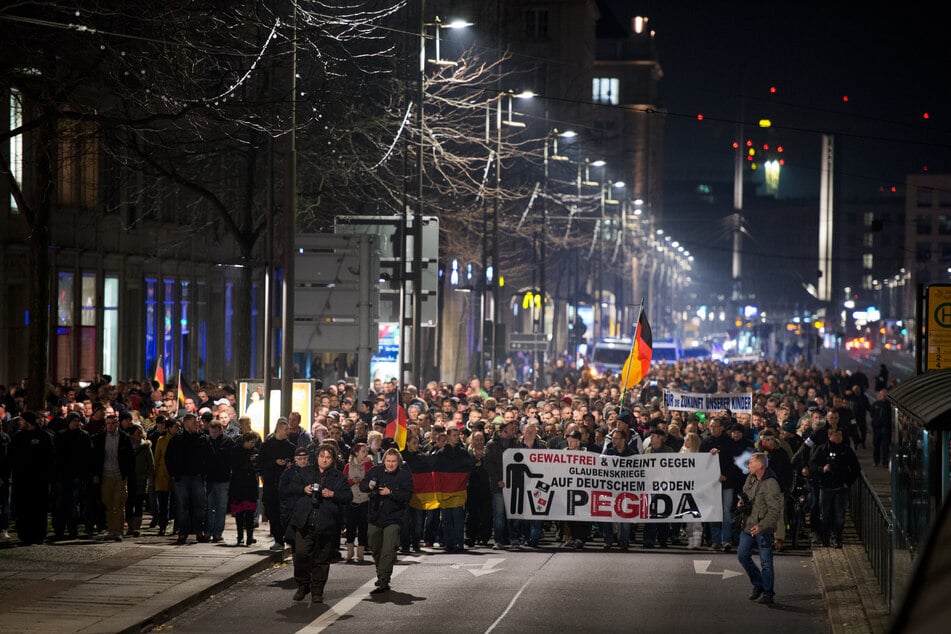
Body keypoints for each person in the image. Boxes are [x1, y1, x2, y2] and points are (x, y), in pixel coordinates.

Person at [283, 444, 351, 603]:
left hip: (327, 523)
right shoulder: (306, 472)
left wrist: (332, 494)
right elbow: (290, 487)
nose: (324, 460)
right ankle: (302, 584)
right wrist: (304, 489)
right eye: (322, 456)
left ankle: (317, 591)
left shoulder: (338, 477)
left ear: (333, 459)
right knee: (300, 554)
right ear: (317, 457)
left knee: (322, 559)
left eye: (328, 457)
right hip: (305, 521)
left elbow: (347, 497)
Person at [361, 447, 414, 594]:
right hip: (375, 515)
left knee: (388, 548)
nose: (390, 464)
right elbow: (363, 485)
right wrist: (369, 486)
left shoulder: (404, 476)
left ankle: (383, 579)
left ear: (398, 462)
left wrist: (391, 493)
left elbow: (407, 495)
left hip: (394, 516)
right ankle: (381, 571)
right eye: (388, 461)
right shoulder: (375, 471)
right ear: (384, 460)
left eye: (394, 461)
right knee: (374, 545)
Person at [737, 452, 783, 606]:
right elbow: (746, 495)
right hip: (748, 525)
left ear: (760, 466)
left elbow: (775, 511)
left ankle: (768, 593)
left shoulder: (771, 483)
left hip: (763, 528)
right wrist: (742, 503)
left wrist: (762, 526)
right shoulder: (750, 478)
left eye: (751, 462)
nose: (748, 465)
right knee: (742, 555)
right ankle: (759, 583)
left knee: (766, 562)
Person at [164, 413, 212, 544]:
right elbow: (168, 457)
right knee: (182, 505)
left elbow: (209, 457)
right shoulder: (177, 439)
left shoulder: (203, 438)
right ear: (186, 423)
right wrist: (173, 473)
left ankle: (198, 530)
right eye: (194, 422)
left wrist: (204, 471)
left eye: (197, 422)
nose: (197, 424)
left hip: (197, 476)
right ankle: (183, 531)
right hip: (181, 477)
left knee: (200, 505)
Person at [809, 427, 860, 548]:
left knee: (839, 515)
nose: (838, 438)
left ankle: (836, 538)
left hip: (840, 488)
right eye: (835, 436)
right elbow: (813, 466)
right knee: (824, 515)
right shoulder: (822, 450)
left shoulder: (846, 451)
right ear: (830, 436)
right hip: (825, 487)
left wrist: (848, 482)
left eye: (840, 436)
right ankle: (825, 539)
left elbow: (855, 468)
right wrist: (822, 469)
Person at [9, 412, 55, 545]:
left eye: (22, 420)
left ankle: (39, 535)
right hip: (22, 480)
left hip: (39, 481)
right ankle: (24, 535)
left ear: (29, 422)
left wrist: (47, 475)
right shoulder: (18, 437)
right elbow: (11, 457)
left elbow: (50, 457)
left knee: (39, 508)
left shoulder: (44, 436)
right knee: (23, 508)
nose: (20, 422)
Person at [91, 413, 135, 541]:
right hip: (106, 475)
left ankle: (118, 530)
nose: (110, 426)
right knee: (108, 503)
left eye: (112, 423)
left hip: (120, 476)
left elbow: (130, 458)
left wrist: (127, 474)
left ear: (117, 424)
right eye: (108, 423)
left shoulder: (124, 438)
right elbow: (95, 458)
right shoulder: (100, 438)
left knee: (119, 504)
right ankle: (111, 529)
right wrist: (96, 474)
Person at [259, 418, 296, 550]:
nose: (288, 432)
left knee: (285, 513)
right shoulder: (266, 446)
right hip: (271, 484)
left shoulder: (291, 447)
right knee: (273, 513)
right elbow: (260, 464)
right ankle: (278, 540)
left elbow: (295, 465)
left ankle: (286, 537)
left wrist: (290, 465)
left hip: (285, 486)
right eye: (286, 430)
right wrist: (274, 463)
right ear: (279, 429)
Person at [343, 442, 373, 563]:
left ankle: (360, 553)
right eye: (363, 451)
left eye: (366, 451)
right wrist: (351, 481)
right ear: (356, 453)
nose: (366, 454)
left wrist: (364, 480)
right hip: (351, 499)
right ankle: (350, 552)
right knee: (350, 527)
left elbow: (373, 478)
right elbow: (343, 483)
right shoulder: (348, 466)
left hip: (365, 499)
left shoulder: (369, 465)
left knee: (363, 527)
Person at [229, 431, 260, 546]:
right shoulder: (236, 450)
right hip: (238, 485)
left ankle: (250, 536)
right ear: (246, 441)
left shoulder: (255, 452)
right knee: (239, 512)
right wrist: (248, 461)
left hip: (250, 485)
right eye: (251, 442)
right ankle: (240, 536)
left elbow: (257, 467)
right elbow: (235, 465)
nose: (253, 445)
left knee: (250, 512)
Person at [127, 423, 154, 537]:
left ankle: (136, 528)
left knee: (138, 504)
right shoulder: (127, 446)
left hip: (140, 480)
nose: (139, 435)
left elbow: (151, 465)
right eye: (137, 432)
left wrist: (145, 476)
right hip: (128, 479)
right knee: (128, 504)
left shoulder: (145, 447)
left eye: (140, 432)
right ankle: (130, 527)